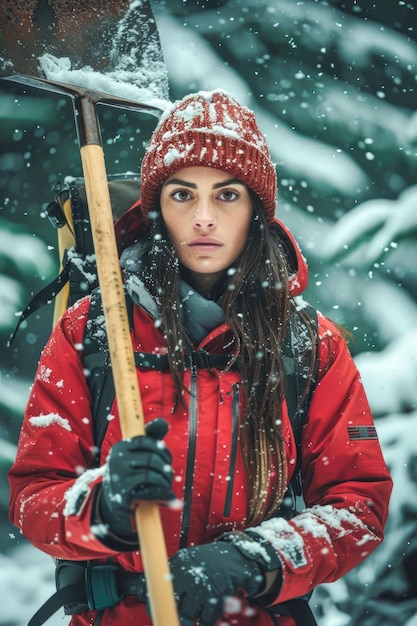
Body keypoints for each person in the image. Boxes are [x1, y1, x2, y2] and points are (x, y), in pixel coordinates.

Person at [8, 89, 392, 626]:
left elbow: (360, 506)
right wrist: (103, 505)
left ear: (256, 208)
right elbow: (32, 496)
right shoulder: (91, 330)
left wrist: (253, 559)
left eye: (228, 195)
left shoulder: (310, 344)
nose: (204, 218)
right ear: (156, 205)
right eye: (183, 194)